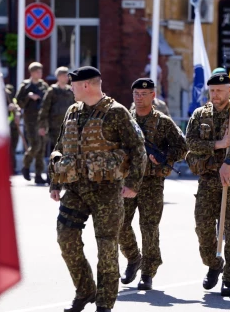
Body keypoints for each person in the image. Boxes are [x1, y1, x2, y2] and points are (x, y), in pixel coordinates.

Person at [49, 66, 147, 312]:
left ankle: (104, 303)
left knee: (106, 246)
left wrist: (133, 184)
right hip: (75, 189)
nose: (70, 89)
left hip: (106, 190)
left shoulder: (116, 113)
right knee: (65, 237)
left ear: (85, 85)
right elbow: (60, 147)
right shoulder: (73, 111)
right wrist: (55, 181)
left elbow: (138, 149)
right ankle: (85, 291)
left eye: (73, 85)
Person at [185, 72, 230, 297]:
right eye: (212, 91)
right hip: (208, 179)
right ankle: (214, 264)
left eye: (219, 90)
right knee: (203, 227)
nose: (215, 94)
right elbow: (191, 142)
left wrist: (229, 161)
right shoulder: (200, 114)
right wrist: (218, 144)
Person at [119, 78, 187, 290]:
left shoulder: (163, 122)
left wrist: (165, 156)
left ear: (153, 96)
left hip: (152, 182)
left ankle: (148, 272)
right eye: (136, 94)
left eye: (144, 94)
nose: (139, 98)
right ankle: (133, 258)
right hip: (128, 179)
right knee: (120, 224)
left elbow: (182, 147)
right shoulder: (124, 120)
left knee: (148, 228)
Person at [16, 62, 50, 184]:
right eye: (37, 71)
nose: (39, 74)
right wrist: (28, 97)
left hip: (42, 119)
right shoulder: (25, 86)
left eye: (40, 71)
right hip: (30, 119)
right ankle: (26, 165)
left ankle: (39, 174)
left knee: (42, 147)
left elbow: (48, 102)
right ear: (31, 73)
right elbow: (18, 103)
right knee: (35, 145)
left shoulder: (44, 86)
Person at [38, 66, 75, 150]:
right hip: (54, 126)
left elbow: (75, 107)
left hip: (68, 125)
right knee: (58, 149)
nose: (67, 78)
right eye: (64, 75)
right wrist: (42, 126)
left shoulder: (71, 91)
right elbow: (44, 109)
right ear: (58, 76)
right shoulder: (52, 91)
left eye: (67, 76)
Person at [5, 82, 21, 174]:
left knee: (13, 149)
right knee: (9, 149)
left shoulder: (13, 101)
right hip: (6, 128)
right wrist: (7, 109)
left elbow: (18, 110)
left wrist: (17, 114)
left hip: (14, 128)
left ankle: (13, 168)